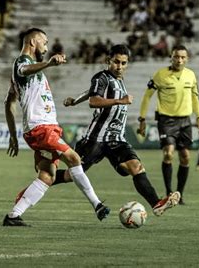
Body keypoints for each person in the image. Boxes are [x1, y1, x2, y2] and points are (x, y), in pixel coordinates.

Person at [46, 45, 180, 216]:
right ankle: (41, 181)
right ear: (108, 61)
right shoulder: (101, 77)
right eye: (116, 62)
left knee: (136, 166)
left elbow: (89, 93)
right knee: (70, 176)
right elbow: (94, 100)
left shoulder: (119, 81)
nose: (120, 66)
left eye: (124, 63)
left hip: (116, 139)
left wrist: (75, 100)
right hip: (96, 139)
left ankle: (156, 204)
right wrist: (120, 101)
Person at [3, 28, 110, 227]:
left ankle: (13, 215)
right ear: (33, 42)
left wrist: (13, 136)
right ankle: (97, 205)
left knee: (47, 176)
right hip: (41, 128)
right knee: (74, 158)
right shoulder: (22, 63)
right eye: (44, 41)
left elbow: (8, 102)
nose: (46, 45)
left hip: (41, 128)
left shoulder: (22, 74)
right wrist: (49, 63)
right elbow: (24, 70)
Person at [137, 45, 199, 205]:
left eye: (183, 57)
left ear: (187, 59)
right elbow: (147, 97)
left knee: (186, 157)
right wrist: (142, 119)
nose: (179, 60)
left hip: (185, 121)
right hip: (166, 120)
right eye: (176, 57)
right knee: (168, 153)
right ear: (171, 57)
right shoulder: (161, 75)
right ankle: (168, 192)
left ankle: (179, 194)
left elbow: (195, 98)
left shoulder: (191, 75)